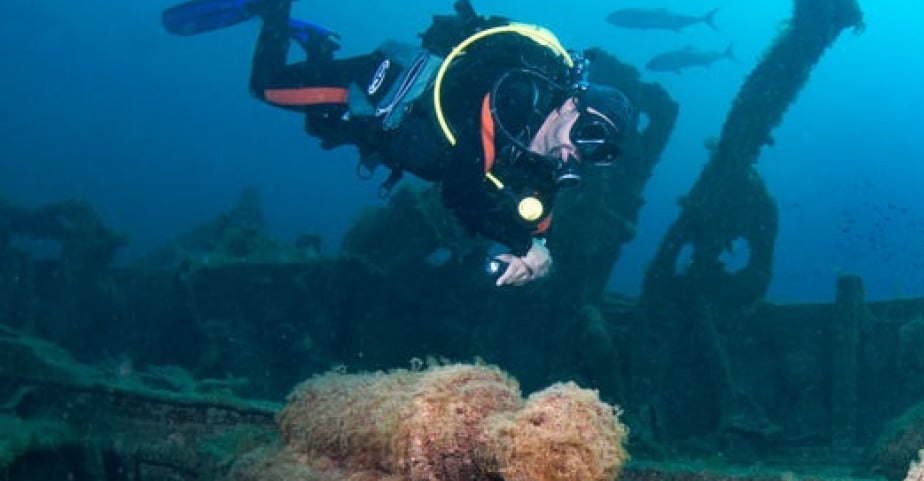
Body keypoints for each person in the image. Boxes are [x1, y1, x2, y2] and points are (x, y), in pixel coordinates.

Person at [161, 0, 634, 286]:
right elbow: (462, 191)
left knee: (327, 127)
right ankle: (274, 12)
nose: (580, 153)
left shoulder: (553, 161)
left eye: (600, 152)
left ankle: (318, 46)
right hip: (382, 87)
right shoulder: (517, 95)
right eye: (587, 133)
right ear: (571, 104)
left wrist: (538, 256)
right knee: (267, 87)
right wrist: (519, 241)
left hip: (390, 137)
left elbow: (538, 226)